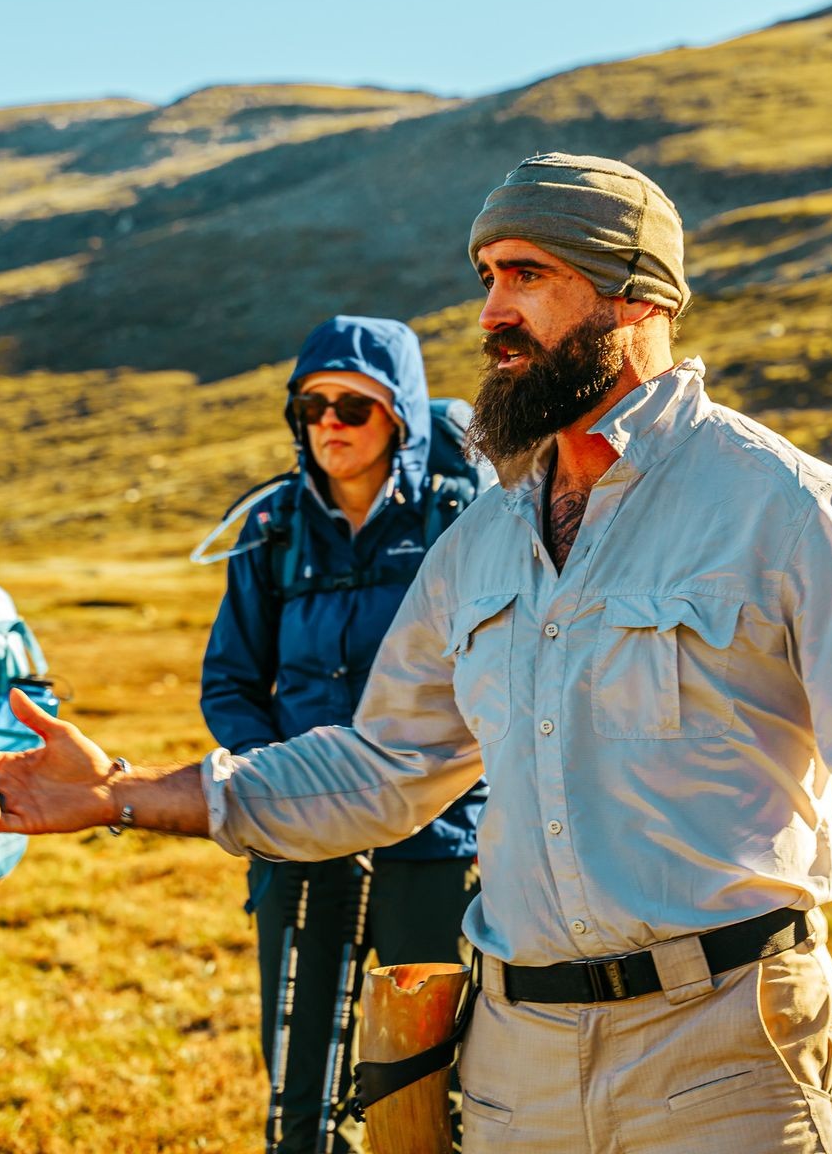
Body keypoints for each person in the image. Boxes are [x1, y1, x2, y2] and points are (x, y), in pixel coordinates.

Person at [0, 153, 832, 1154]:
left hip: (728, 1061)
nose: (493, 312)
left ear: (635, 294)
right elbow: (381, 765)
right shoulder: (482, 540)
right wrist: (126, 793)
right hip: (515, 1067)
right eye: (488, 277)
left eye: (529, 275)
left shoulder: (785, 506)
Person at [200, 315, 486, 1154]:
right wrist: (280, 779)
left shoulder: (458, 523)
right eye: (313, 405)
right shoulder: (272, 532)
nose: (330, 422)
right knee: (300, 1088)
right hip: (302, 836)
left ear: (399, 418)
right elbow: (231, 681)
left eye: (353, 408)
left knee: (430, 1084)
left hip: (435, 841)